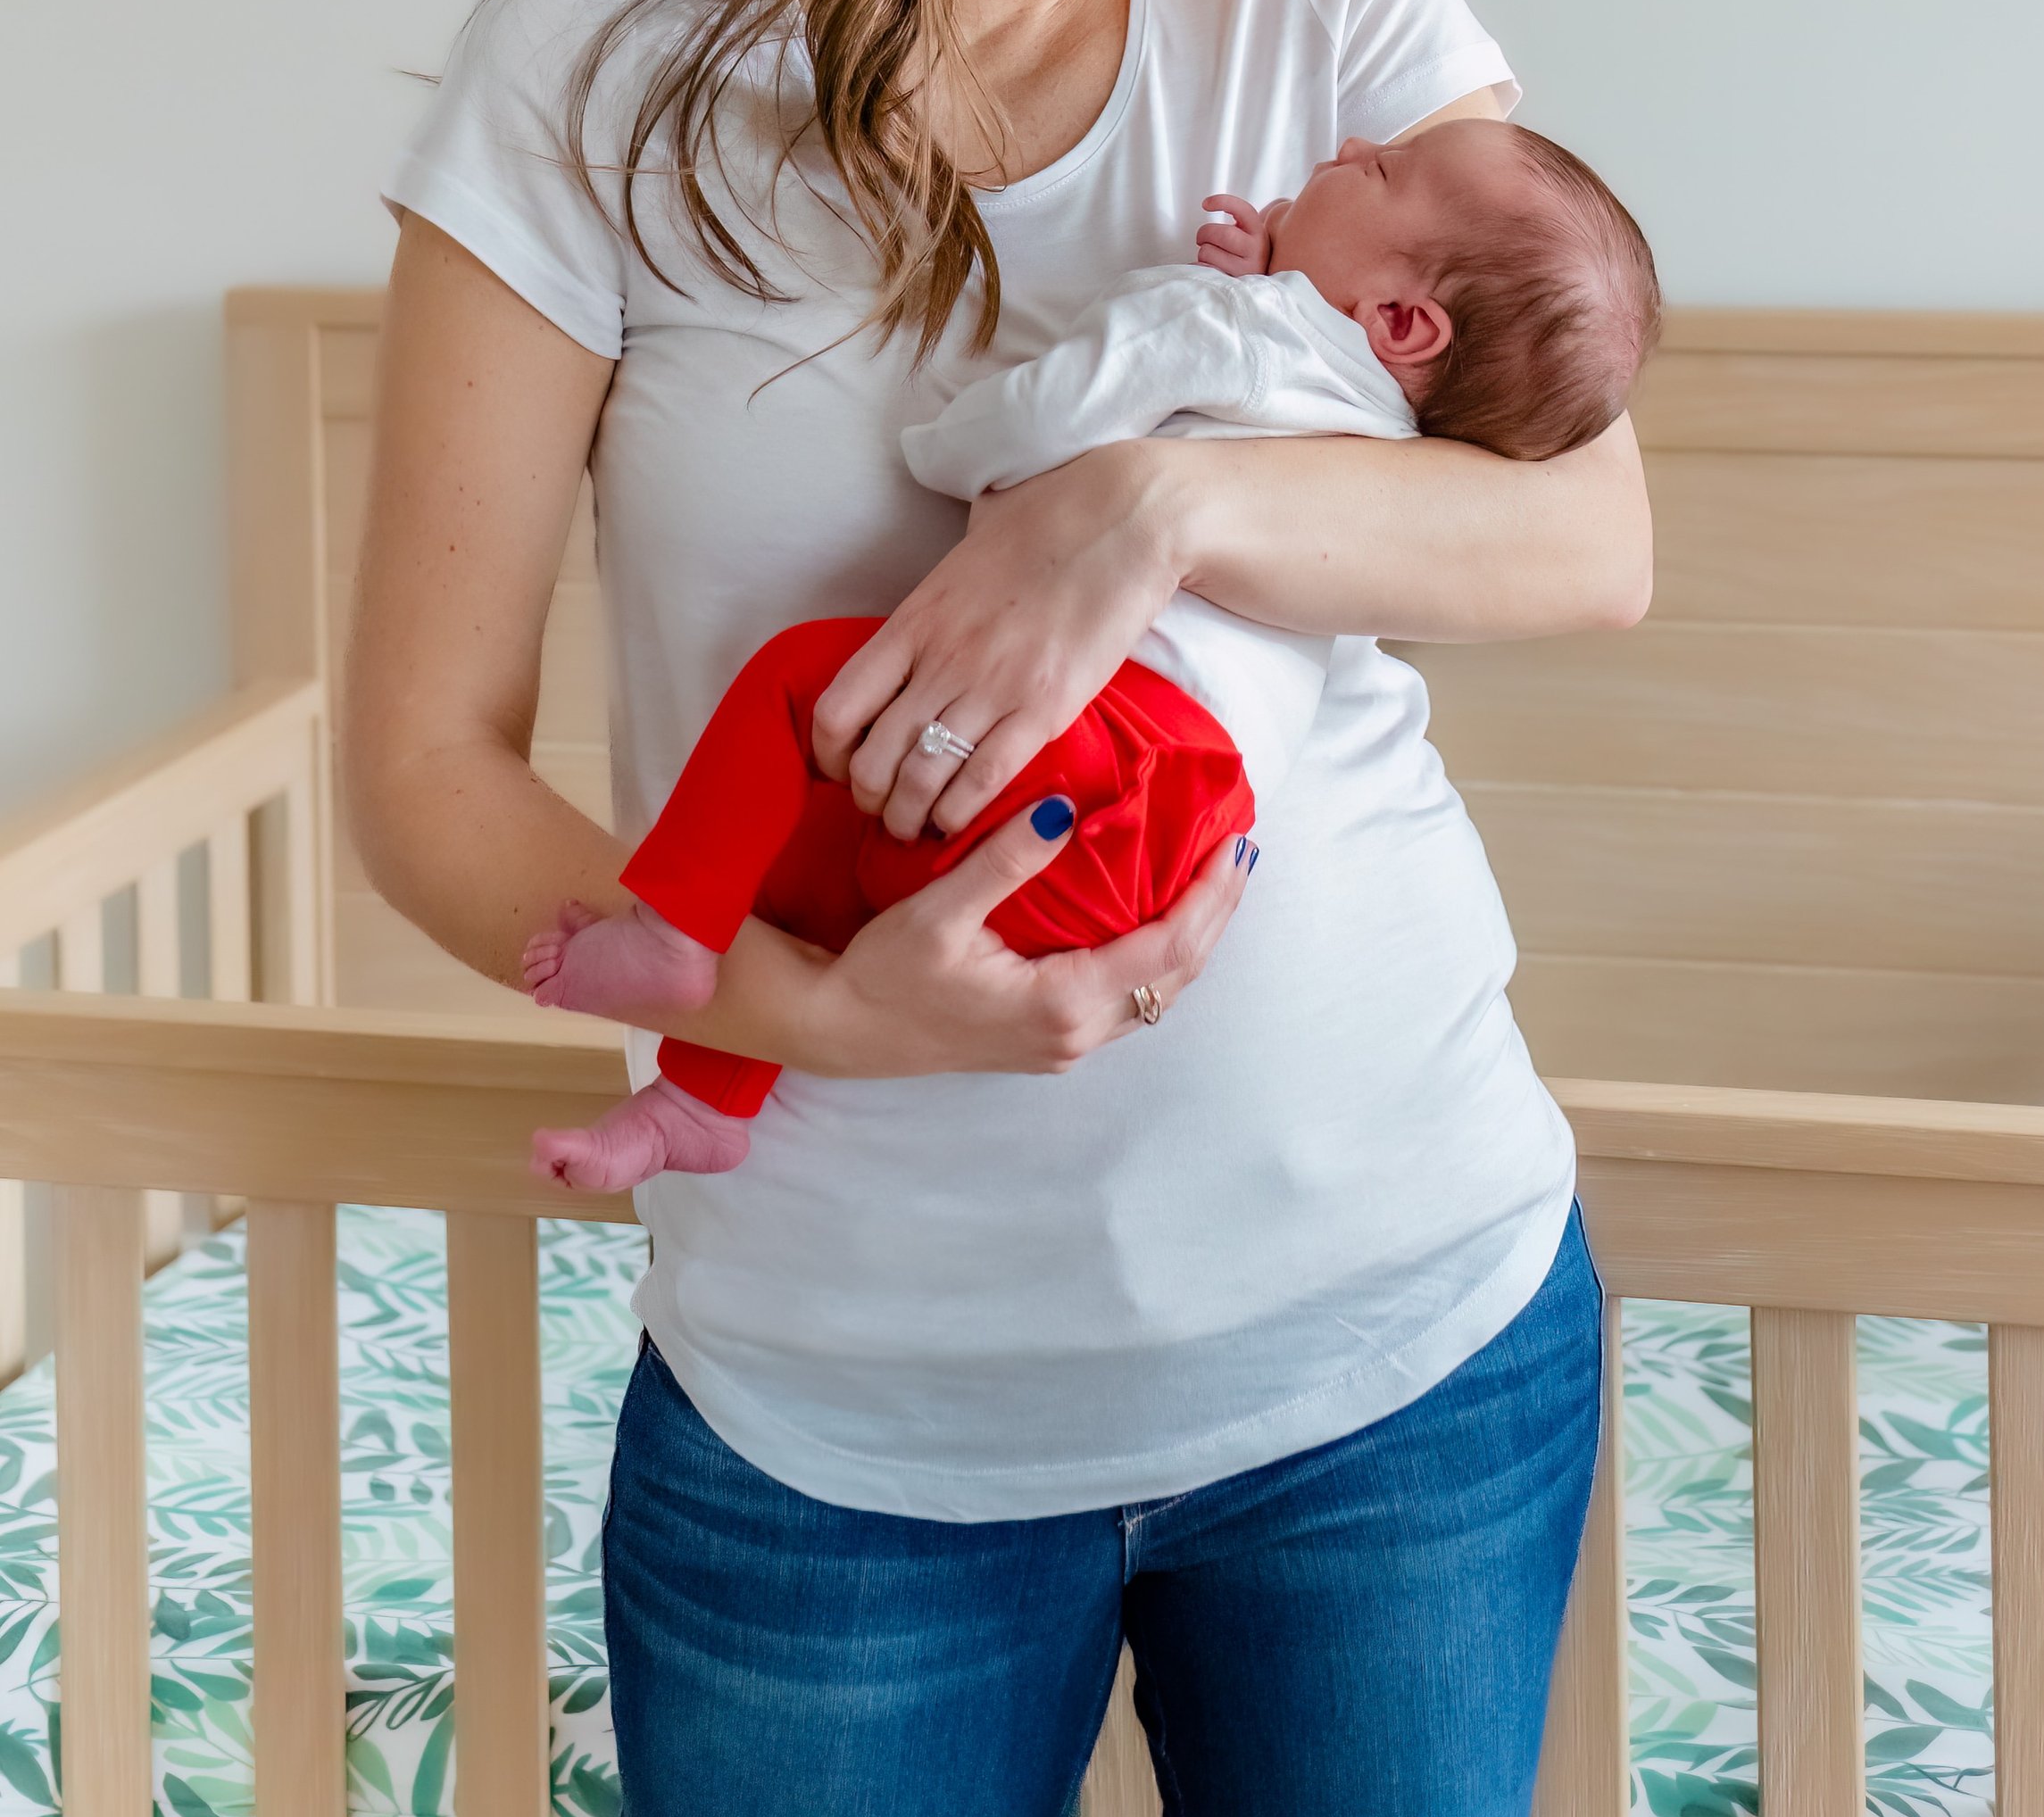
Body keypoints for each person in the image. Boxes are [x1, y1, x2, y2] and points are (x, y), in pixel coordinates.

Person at [345, 0, 1654, 1817]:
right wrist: (816, 1020)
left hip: (1397, 1337)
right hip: (850, 1425)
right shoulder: (595, 69)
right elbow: (422, 768)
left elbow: (1583, 529)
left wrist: (1137, 505)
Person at [521, 115, 1661, 1191]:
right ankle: (701, 1109)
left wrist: (945, 444)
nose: (1353, 142)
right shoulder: (1400, 437)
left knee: (799, 698)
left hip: (1101, 742)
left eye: (1379, 171)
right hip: (1171, 842)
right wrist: (1290, 273)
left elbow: (1039, 419)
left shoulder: (1224, 327)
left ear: (1404, 322)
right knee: (835, 845)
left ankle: (672, 938)